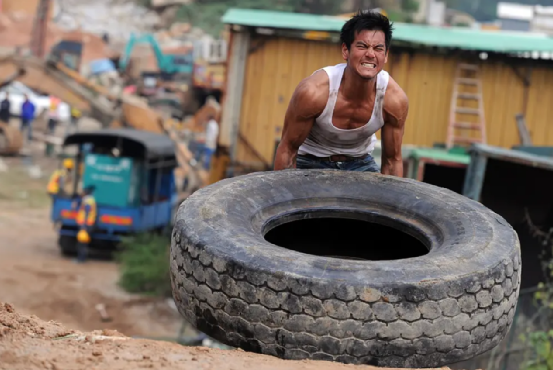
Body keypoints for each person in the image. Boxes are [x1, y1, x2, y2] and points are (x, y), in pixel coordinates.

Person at [273, 10, 409, 177]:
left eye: (378, 48)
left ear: (386, 55)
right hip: (309, 161)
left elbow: (392, 161)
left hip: (360, 163)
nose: (371, 54)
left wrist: (392, 202)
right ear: (346, 51)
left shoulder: (393, 99)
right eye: (362, 46)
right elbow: (288, 149)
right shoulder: (314, 92)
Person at [75, 185, 97, 263]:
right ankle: (81, 258)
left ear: (86, 193)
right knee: (83, 242)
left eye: (83, 191)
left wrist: (84, 225)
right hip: (88, 224)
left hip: (86, 224)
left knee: (82, 243)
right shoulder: (90, 199)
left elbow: (87, 212)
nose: (82, 192)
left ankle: (81, 259)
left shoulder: (88, 201)